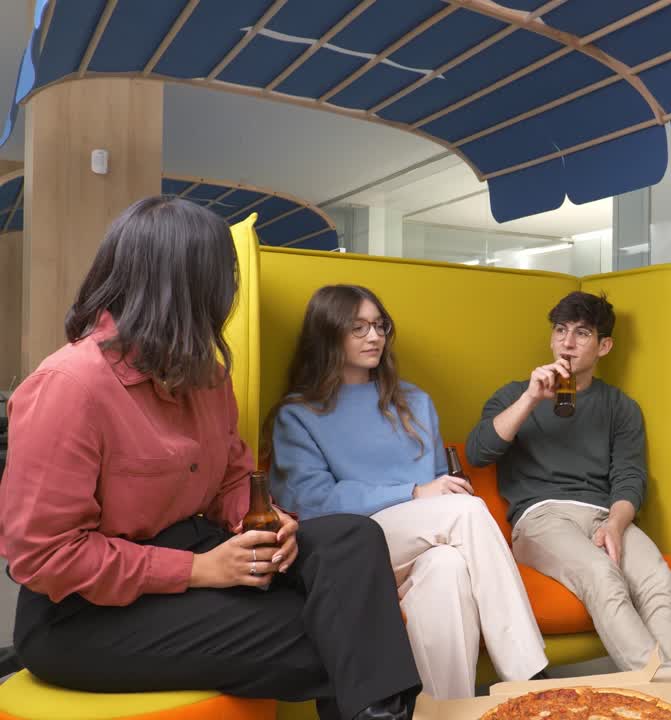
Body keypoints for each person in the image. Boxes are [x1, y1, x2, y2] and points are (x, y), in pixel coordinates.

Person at [0, 197, 419, 720]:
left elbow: (231, 480)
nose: (229, 294)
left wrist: (269, 522)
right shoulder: (68, 387)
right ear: (188, 289)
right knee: (341, 631)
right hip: (80, 616)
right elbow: (45, 558)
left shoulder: (207, 376)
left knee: (352, 538)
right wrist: (198, 570)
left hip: (194, 553)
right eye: (224, 279)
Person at [266, 284, 547, 699]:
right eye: (358, 328)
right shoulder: (298, 413)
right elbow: (312, 502)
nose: (374, 337)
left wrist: (435, 492)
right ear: (328, 334)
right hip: (350, 545)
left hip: (421, 540)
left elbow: (439, 483)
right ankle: (532, 682)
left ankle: (444, 710)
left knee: (448, 567)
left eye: (379, 326)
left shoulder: (415, 402)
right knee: (467, 511)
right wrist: (413, 492)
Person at [465, 291, 671, 671]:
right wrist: (531, 399)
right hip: (542, 518)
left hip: (604, 515)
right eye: (560, 330)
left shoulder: (620, 407)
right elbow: (478, 453)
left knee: (660, 581)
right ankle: (667, 688)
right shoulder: (515, 394)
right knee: (602, 574)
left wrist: (615, 525)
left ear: (604, 346)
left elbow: (630, 477)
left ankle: (666, 690)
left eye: (582, 333)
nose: (567, 342)